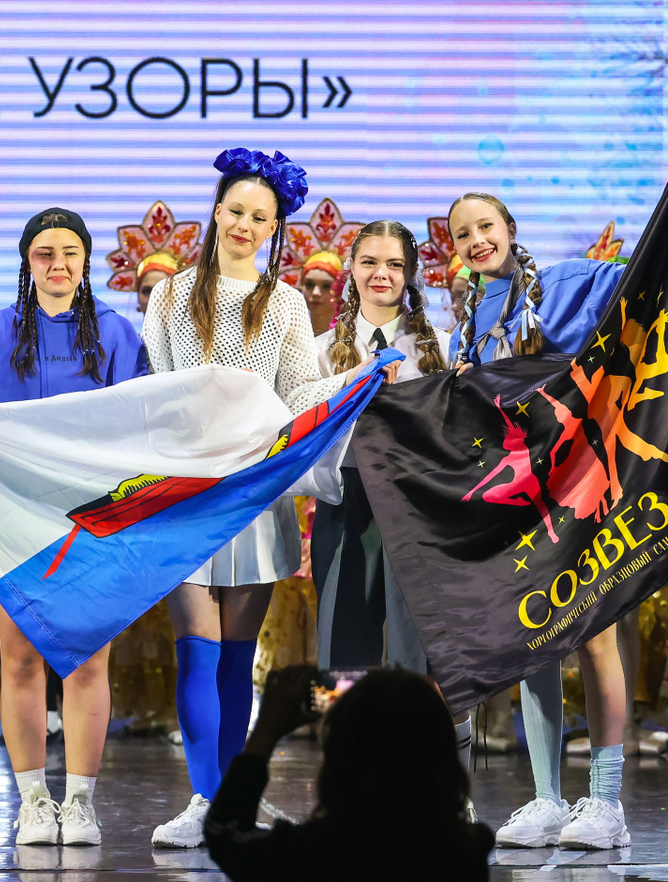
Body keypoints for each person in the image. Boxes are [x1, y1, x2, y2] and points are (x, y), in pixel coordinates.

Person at [450, 145, 668, 853]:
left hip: (588, 487)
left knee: (594, 633)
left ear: (510, 229)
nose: (477, 240)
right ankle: (547, 798)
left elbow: (656, 277)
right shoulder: (467, 326)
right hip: (522, 503)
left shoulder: (571, 283)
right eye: (462, 233)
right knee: (533, 644)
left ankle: (606, 801)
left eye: (486, 226)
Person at [141, 148, 336, 849]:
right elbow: (156, 391)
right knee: (195, 650)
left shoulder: (284, 303)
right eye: (235, 211)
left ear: (274, 226)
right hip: (187, 493)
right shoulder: (170, 296)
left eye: (260, 216)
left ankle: (233, 799)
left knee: (234, 657)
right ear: (216, 212)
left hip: (254, 494)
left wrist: (355, 383)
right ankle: (204, 798)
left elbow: (300, 393)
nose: (244, 225)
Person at [0, 208, 149, 847]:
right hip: (11, 519)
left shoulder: (117, 333)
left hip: (93, 521)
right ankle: (34, 802)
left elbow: (139, 425)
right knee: (18, 662)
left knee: (87, 662)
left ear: (86, 261)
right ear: (26, 261)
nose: (58, 264)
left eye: (70, 252)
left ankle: (81, 802)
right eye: (45, 253)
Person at [308, 222, 455, 734]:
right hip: (346, 501)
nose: (381, 274)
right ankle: (345, 762)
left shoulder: (441, 348)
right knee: (342, 642)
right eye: (369, 262)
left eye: (395, 264)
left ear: (410, 273)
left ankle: (425, 762)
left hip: (417, 507)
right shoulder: (320, 350)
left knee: (422, 643)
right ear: (351, 268)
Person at [204, 666, 495, 880]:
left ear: (338, 759)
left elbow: (226, 833)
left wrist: (267, 730)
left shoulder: (309, 854)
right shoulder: (465, 855)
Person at [296, 249, 342, 336]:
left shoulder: (353, 336)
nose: (315, 293)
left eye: (326, 286)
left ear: (340, 291)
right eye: (309, 284)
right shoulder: (287, 332)